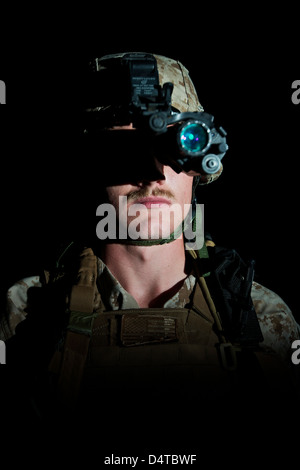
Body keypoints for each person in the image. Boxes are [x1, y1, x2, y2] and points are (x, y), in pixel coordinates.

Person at [1, 53, 299, 432]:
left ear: (199, 165)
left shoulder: (263, 317)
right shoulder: (25, 316)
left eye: (175, 144)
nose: (153, 172)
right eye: (123, 148)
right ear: (88, 164)